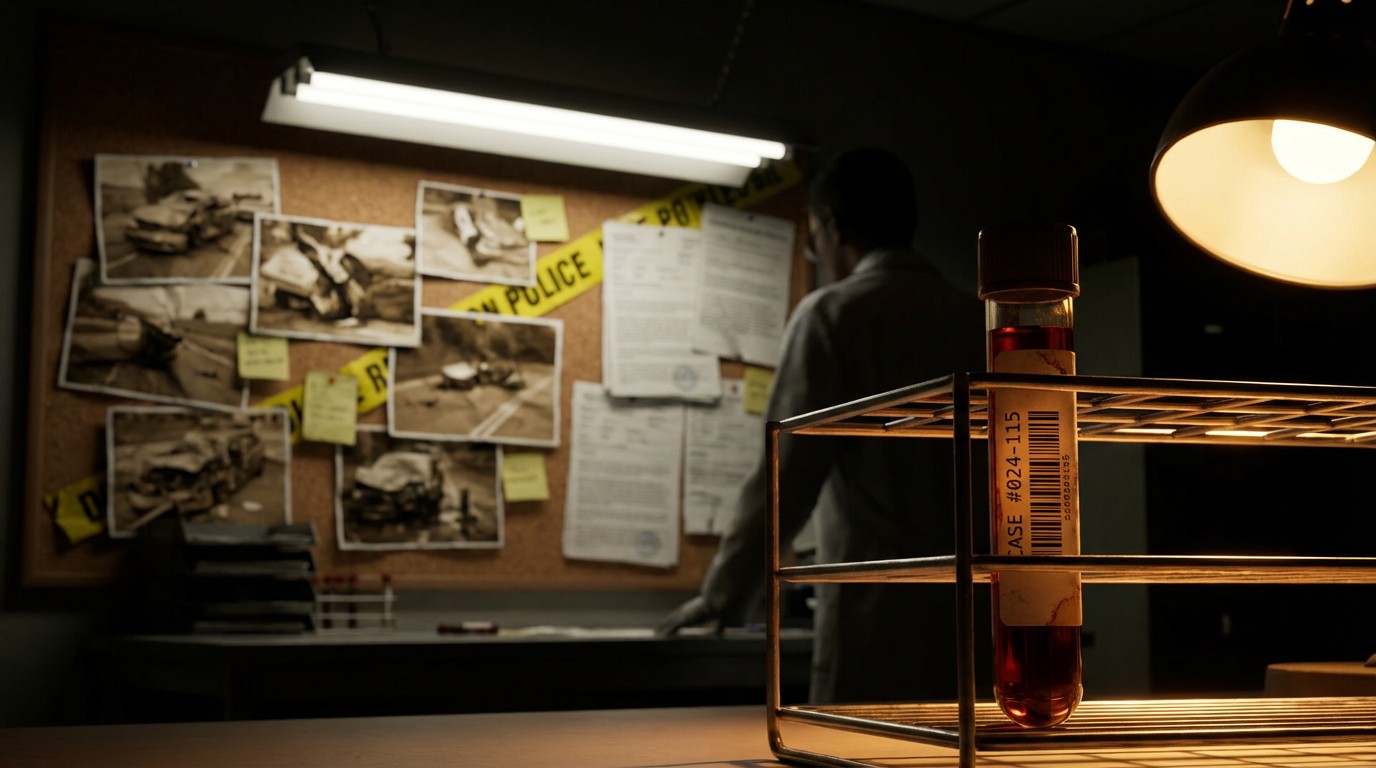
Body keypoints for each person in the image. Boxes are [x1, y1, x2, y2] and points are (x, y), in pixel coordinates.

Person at [657, 148, 988, 704]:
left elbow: (784, 480)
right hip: (982, 615)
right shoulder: (977, 319)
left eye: (813, 236)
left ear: (833, 225)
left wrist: (724, 598)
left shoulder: (834, 315)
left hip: (878, 618)